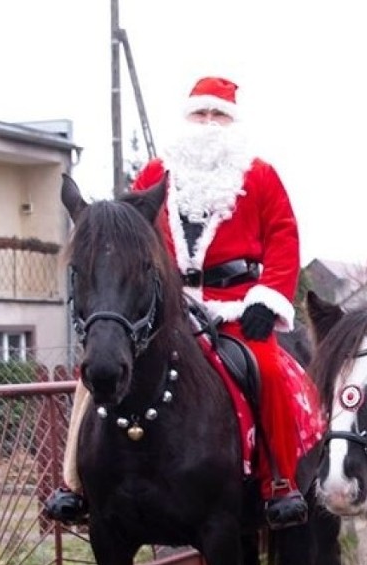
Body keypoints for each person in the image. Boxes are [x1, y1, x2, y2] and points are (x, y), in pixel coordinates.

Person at [44, 74, 321, 530]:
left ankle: (279, 483)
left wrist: (267, 298)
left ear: (231, 123)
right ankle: (75, 483)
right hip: (168, 305)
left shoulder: (260, 175)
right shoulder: (156, 173)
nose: (208, 123)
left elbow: (284, 237)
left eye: (218, 115)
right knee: (92, 372)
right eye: (201, 113)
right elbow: (129, 235)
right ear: (187, 117)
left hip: (235, 302)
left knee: (268, 368)